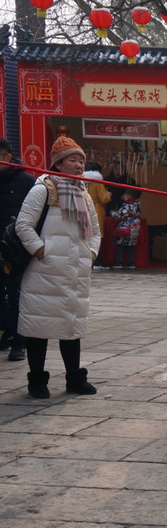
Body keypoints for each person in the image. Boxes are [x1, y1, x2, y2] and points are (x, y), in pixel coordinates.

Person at [14, 136, 101, 398]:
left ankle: (74, 378)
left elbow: (95, 231)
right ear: (58, 163)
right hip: (44, 271)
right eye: (73, 160)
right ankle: (37, 381)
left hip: (75, 272)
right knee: (38, 328)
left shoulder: (84, 193)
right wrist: (42, 251)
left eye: (81, 160)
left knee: (71, 328)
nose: (78, 165)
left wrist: (91, 253)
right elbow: (23, 225)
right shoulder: (43, 189)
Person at [0, 139, 38, 362]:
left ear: (6, 157)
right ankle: (6, 332)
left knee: (16, 296)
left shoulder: (27, 182)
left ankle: (19, 340)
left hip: (15, 249)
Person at [111, 188, 141, 269]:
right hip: (135, 228)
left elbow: (119, 215)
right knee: (131, 246)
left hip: (125, 228)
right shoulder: (137, 205)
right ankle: (131, 263)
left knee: (120, 245)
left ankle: (119, 262)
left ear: (127, 196)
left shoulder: (127, 205)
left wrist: (112, 212)